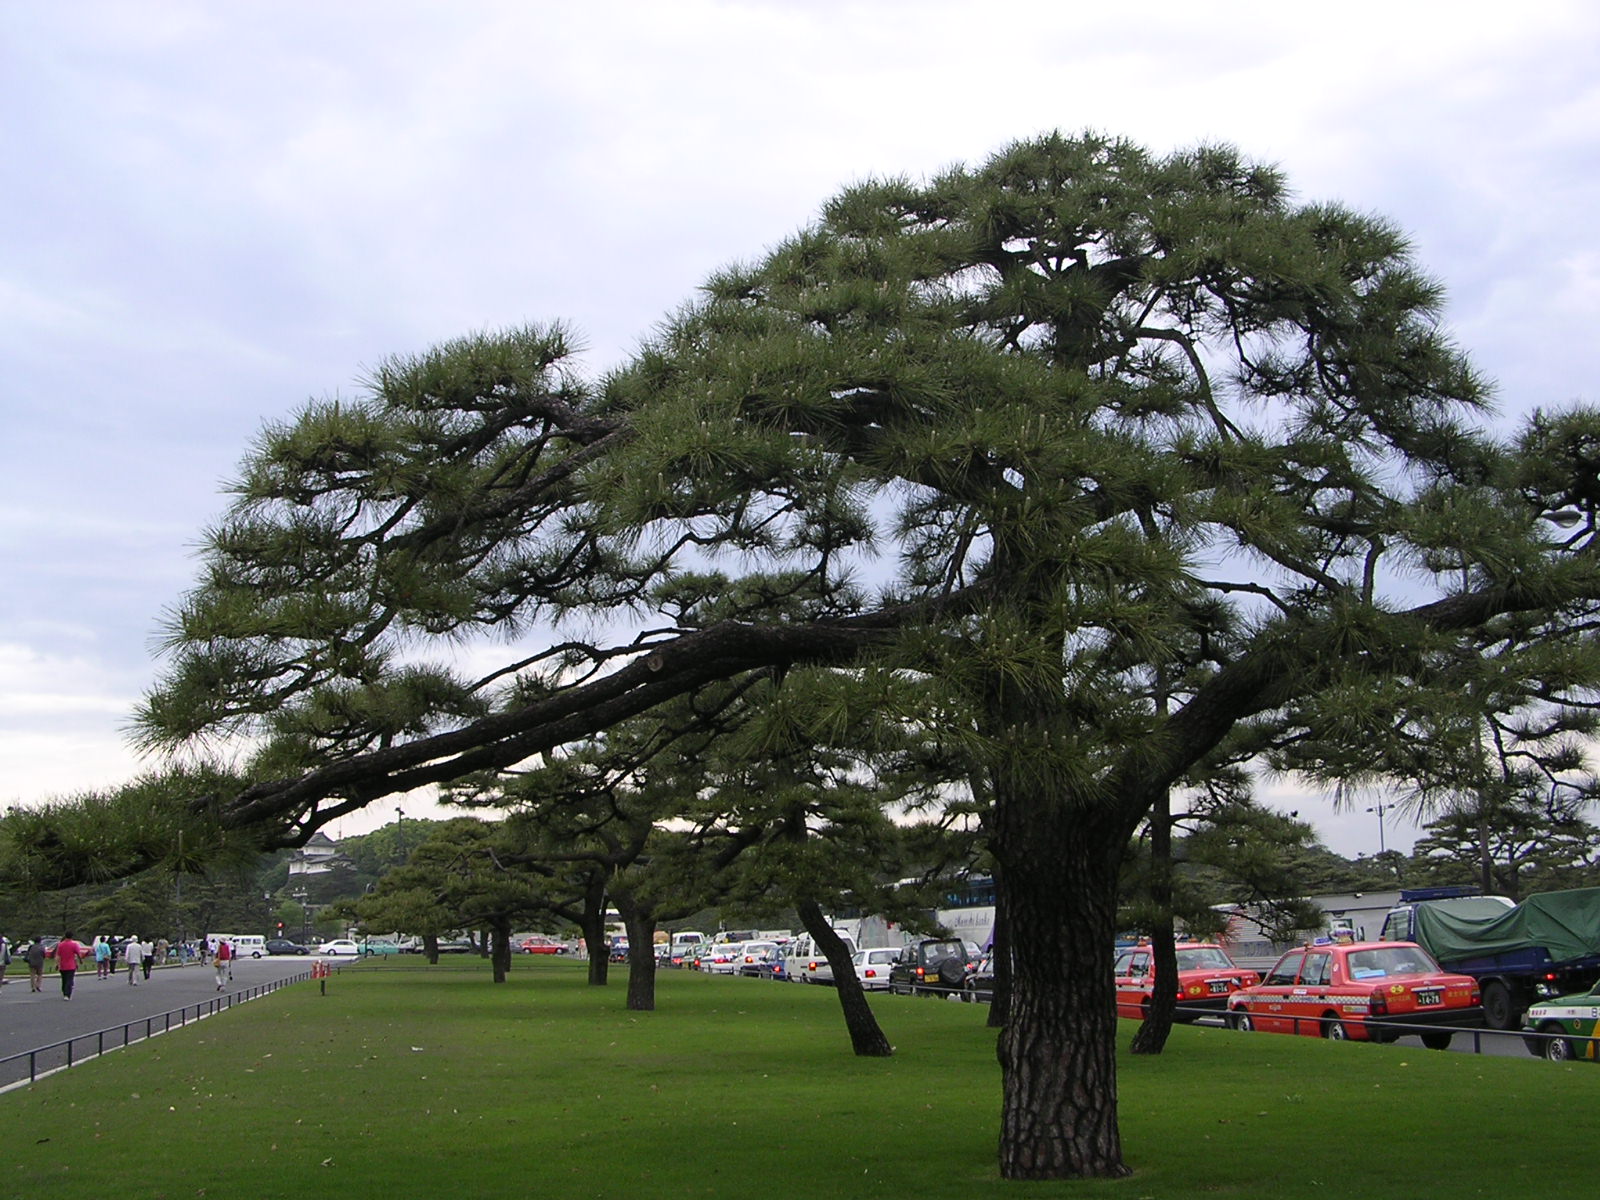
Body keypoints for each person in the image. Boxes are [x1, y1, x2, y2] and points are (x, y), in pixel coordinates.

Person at [47, 932, 91, 999]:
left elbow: (58, 955)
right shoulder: (74, 944)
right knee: (69, 980)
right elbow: (78, 953)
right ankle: (67, 994)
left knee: (64, 979)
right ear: (72, 936)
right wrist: (80, 960)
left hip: (62, 965)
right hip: (71, 965)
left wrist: (57, 964)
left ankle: (64, 991)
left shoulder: (60, 945)